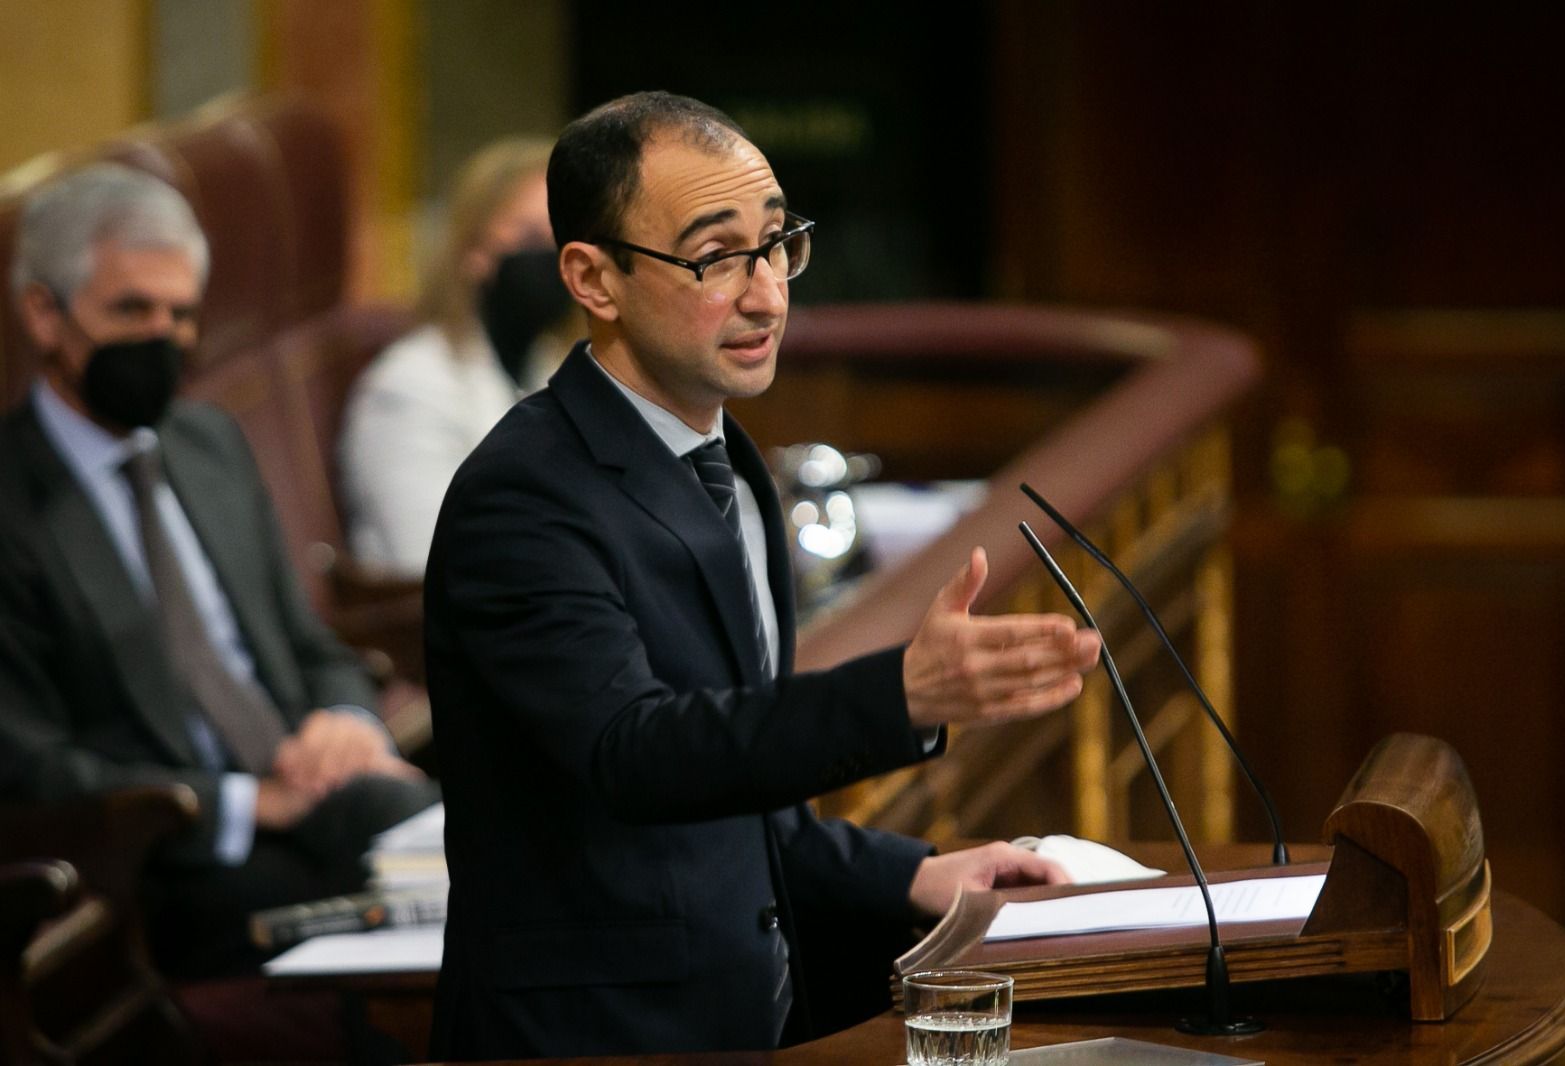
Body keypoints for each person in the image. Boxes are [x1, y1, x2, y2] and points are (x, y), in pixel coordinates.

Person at [424, 92, 1104, 1060]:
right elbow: (634, 754)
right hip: (593, 1033)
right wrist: (896, 694)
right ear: (593, 276)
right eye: (714, 256)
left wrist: (915, 873)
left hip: (749, 1015)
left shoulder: (727, 459)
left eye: (778, 243)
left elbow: (741, 798)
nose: (766, 294)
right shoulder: (525, 494)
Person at [0, 163, 438, 976]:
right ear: (43, 315)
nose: (162, 338)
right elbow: (27, 760)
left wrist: (347, 722)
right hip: (165, 854)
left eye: (182, 314)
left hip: (308, 786)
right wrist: (236, 804)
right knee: (400, 935)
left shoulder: (207, 444)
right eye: (132, 310)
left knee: (472, 862)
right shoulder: (10, 503)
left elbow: (310, 645)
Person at [340, 137, 577, 574]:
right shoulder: (409, 387)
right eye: (529, 237)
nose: (552, 260)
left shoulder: (559, 366)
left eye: (563, 239)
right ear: (473, 252)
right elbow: (429, 556)